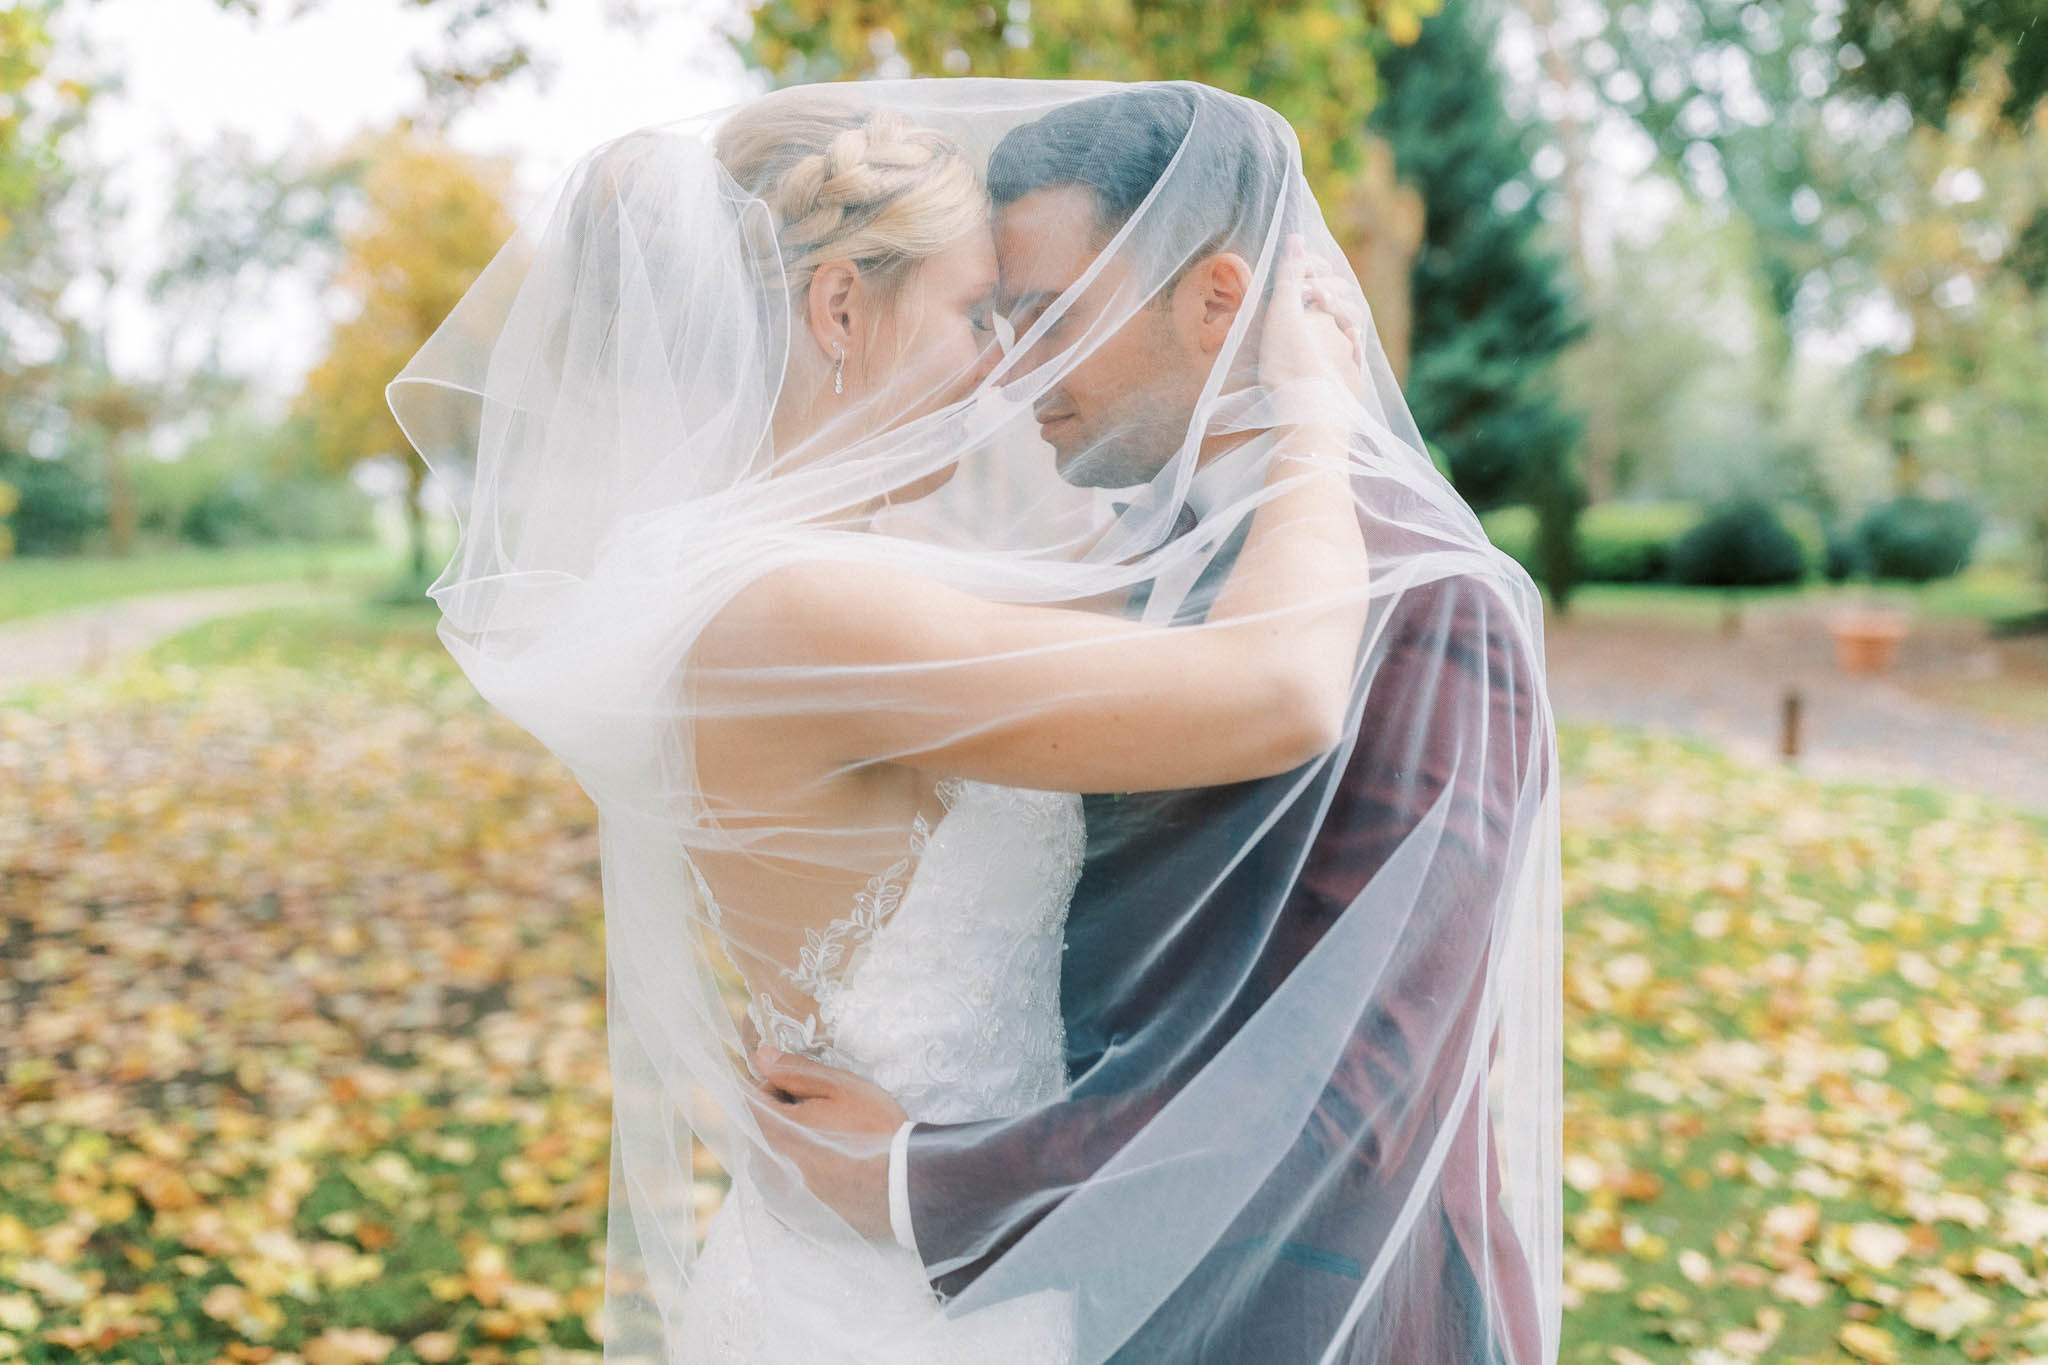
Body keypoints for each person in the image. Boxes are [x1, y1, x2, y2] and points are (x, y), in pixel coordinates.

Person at [389, 79, 1558, 1365]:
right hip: (923, 1303)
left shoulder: (1402, 599)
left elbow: (1362, 1077)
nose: (1015, 370)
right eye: (983, 314)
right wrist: (1314, 428)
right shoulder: (804, 608)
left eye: (1042, 318)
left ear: (1216, 300)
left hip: (1301, 1299)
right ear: (840, 308)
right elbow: (1276, 688)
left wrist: (928, 1180)